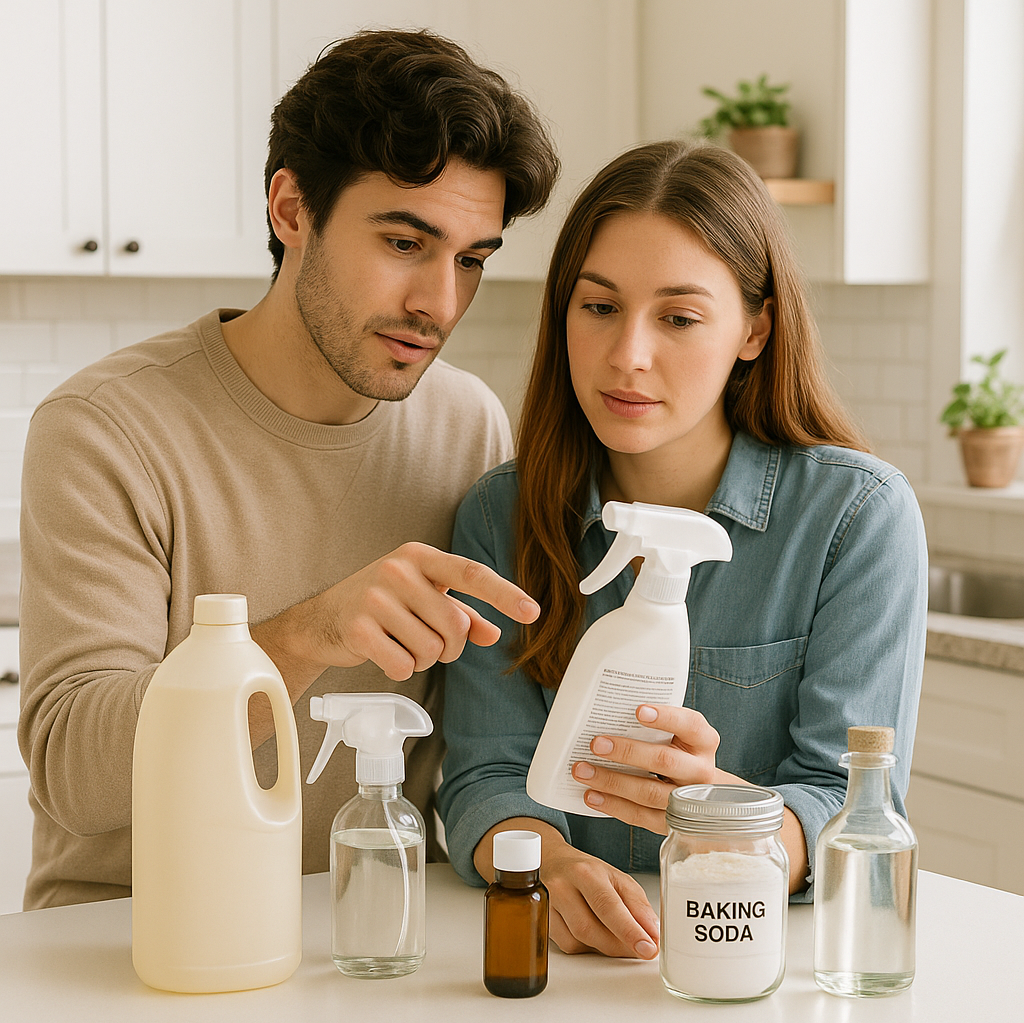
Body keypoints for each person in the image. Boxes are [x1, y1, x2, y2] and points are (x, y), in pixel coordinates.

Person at [17, 29, 558, 910]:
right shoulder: (109, 430)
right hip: (128, 941)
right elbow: (76, 772)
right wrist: (307, 638)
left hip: (370, 939)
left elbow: (488, 743)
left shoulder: (467, 425)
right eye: (403, 243)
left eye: (472, 260)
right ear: (292, 210)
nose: (440, 303)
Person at [436, 139, 927, 960]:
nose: (628, 354)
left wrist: (724, 815)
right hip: (562, 966)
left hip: (760, 961)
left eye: (679, 317)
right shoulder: (503, 514)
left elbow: (852, 805)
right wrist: (548, 865)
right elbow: (486, 774)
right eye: (598, 307)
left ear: (755, 329)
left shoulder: (855, 519)